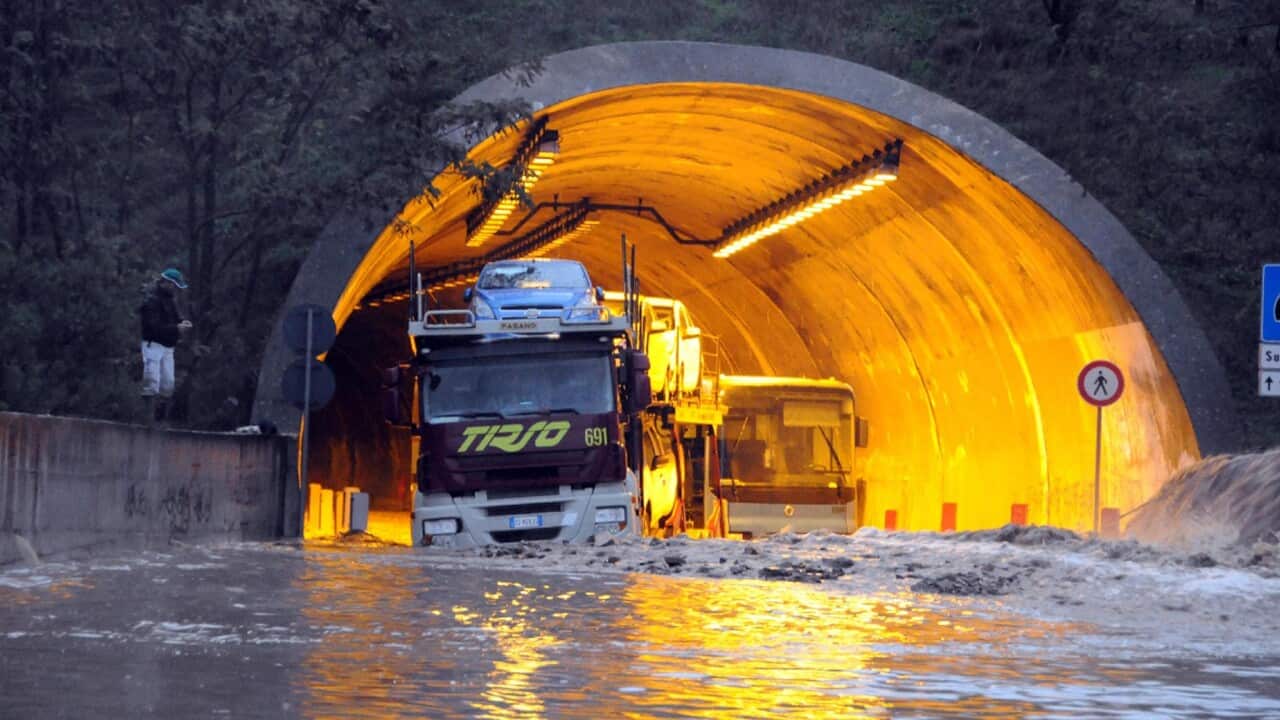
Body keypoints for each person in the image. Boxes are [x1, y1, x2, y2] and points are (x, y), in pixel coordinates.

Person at [139, 268, 192, 424]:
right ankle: (147, 419)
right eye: (174, 285)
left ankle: (160, 417)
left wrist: (182, 323)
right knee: (151, 383)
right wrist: (176, 329)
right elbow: (152, 327)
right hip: (152, 345)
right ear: (167, 283)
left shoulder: (170, 300)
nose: (175, 289)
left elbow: (175, 318)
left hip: (168, 347)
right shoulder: (151, 300)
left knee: (168, 385)